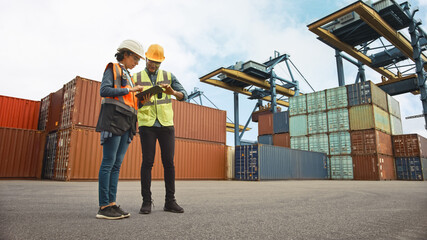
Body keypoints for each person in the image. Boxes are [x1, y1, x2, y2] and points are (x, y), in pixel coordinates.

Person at [95, 39, 150, 220]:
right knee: (108, 162)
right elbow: (104, 90)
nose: (137, 63)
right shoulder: (113, 68)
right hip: (114, 120)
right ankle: (103, 206)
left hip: (127, 123)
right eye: (135, 58)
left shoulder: (128, 75)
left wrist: (142, 100)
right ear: (125, 54)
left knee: (116, 164)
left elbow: (129, 101)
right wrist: (130, 89)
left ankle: (112, 203)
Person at [133, 44, 188, 214]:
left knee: (169, 163)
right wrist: (141, 100)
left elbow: (184, 95)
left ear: (161, 62)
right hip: (147, 124)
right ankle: (146, 202)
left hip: (166, 124)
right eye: (151, 61)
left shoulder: (169, 76)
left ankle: (170, 202)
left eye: (157, 62)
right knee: (147, 162)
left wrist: (172, 92)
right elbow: (130, 100)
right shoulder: (136, 77)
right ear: (146, 58)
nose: (153, 65)